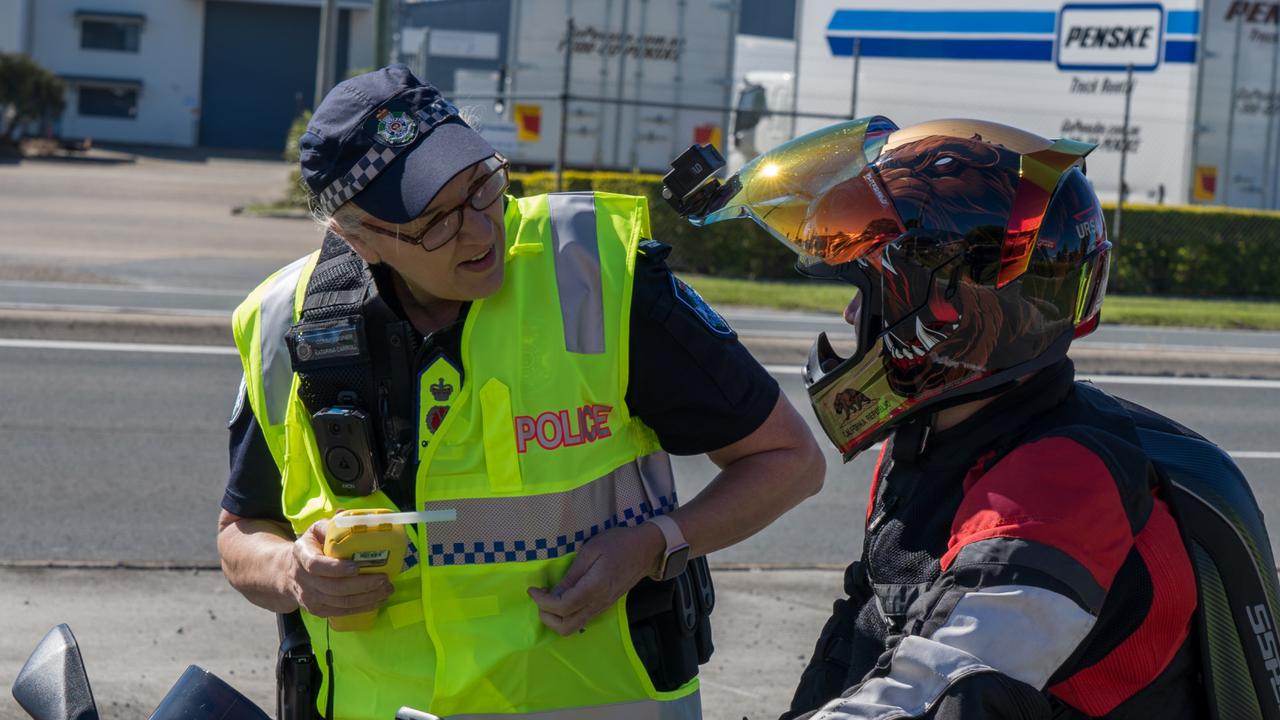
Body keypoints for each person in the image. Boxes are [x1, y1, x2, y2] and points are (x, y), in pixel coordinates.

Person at [215, 66, 825, 720]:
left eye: (482, 186)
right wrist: (289, 573)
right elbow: (241, 530)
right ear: (356, 235)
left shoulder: (595, 275)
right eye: (435, 221)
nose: (481, 231)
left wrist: (656, 542)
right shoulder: (285, 321)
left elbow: (790, 460)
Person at [672, 116, 1214, 718]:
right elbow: (860, 642)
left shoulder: (1057, 482)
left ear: (949, 305)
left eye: (869, 289)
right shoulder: (936, 441)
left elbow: (937, 690)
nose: (852, 315)